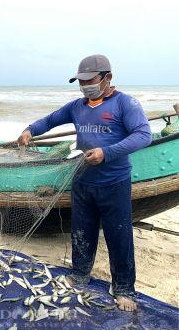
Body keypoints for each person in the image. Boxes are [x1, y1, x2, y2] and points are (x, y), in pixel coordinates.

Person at [17, 55, 152, 312]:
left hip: (114, 183)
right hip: (82, 181)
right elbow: (50, 120)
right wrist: (29, 130)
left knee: (119, 235)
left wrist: (106, 153)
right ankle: (79, 274)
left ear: (107, 78)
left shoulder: (126, 104)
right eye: (81, 82)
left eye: (90, 81)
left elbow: (143, 135)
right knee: (82, 230)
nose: (84, 86)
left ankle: (123, 288)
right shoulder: (77, 106)